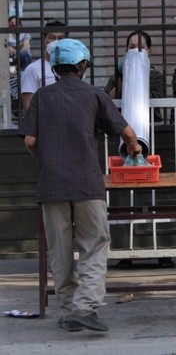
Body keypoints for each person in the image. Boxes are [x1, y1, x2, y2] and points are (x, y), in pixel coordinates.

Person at [19, 38, 143, 333]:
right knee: (95, 245)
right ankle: (85, 307)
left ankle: (69, 311)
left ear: (56, 67)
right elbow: (125, 131)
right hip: (87, 182)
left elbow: (30, 140)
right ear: (83, 65)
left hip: (51, 184)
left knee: (59, 252)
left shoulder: (42, 97)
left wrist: (47, 159)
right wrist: (134, 146)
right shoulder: (94, 95)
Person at [104, 30, 166, 121]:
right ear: (127, 50)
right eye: (132, 47)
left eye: (141, 47)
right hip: (122, 124)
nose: (136, 50)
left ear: (149, 51)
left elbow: (152, 99)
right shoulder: (118, 76)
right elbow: (106, 100)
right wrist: (123, 79)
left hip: (149, 123)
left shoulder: (156, 76)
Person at [20, 20, 66, 115]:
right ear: (45, 39)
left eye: (60, 38)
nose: (56, 42)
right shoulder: (32, 69)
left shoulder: (71, 68)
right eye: (52, 38)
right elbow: (28, 106)